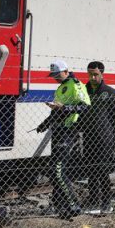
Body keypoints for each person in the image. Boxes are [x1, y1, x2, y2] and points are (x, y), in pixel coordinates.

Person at [36, 60, 91, 219]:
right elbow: (56, 111)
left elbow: (86, 107)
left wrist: (64, 108)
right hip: (58, 130)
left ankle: (73, 204)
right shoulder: (60, 88)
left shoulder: (76, 85)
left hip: (69, 130)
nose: (55, 78)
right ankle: (60, 205)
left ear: (66, 71)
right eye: (53, 75)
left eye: (57, 75)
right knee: (57, 170)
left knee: (58, 170)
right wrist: (44, 124)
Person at [83, 61, 115, 211]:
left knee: (102, 171)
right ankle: (93, 199)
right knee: (91, 171)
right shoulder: (84, 91)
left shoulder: (109, 92)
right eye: (90, 74)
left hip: (105, 139)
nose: (92, 77)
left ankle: (106, 202)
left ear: (102, 74)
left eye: (95, 74)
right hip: (88, 137)